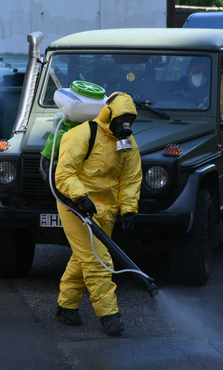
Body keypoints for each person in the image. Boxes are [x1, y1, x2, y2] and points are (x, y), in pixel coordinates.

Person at [54, 92, 141, 336]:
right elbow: (64, 174)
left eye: (130, 121)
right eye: (122, 119)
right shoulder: (82, 134)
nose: (126, 126)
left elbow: (131, 178)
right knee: (97, 261)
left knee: (83, 258)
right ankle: (109, 315)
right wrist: (81, 197)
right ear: (107, 114)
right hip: (75, 206)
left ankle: (66, 307)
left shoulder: (128, 144)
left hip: (106, 210)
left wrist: (129, 210)